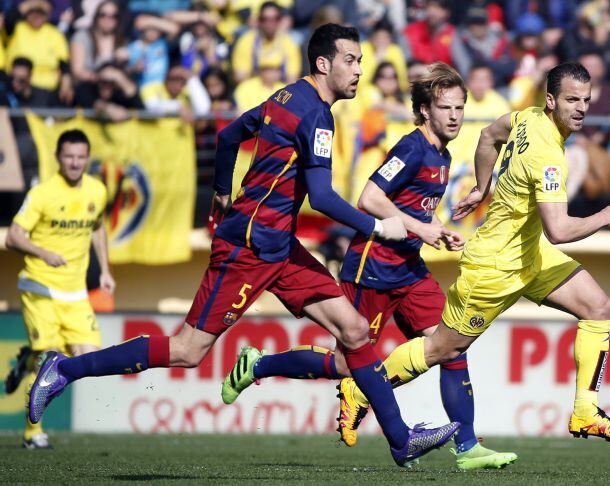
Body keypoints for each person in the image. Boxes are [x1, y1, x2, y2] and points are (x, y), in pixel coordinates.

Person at [27, 24, 458, 467]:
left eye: (361, 61)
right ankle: (63, 370)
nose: (359, 71)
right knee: (187, 351)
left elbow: (229, 135)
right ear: (323, 64)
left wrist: (220, 192)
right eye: (351, 60)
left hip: (279, 246)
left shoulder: (285, 98)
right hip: (248, 249)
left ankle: (401, 439)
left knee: (352, 330)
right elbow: (322, 197)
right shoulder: (316, 116)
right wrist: (377, 226)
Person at [222, 62, 518, 471]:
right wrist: (420, 227)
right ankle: (257, 365)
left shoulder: (443, 155)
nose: (454, 116)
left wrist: (440, 230)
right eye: (446, 107)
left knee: (453, 345)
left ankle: (467, 446)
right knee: (347, 364)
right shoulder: (412, 148)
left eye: (460, 108)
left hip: (409, 269)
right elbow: (370, 197)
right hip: (372, 269)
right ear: (425, 111)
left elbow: (413, 209)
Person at [343, 62, 610, 443]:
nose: (580, 108)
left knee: (598, 307)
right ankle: (360, 390)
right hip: (496, 266)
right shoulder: (548, 155)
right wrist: (602, 217)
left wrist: (483, 188)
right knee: (442, 349)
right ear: (550, 100)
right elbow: (560, 230)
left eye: (585, 100)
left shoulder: (527, 118)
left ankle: (584, 412)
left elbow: (487, 135)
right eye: (571, 100)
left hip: (529, 254)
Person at [4, 130, 113, 449]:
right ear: (57, 158)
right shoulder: (42, 193)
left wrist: (106, 270)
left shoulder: (97, 189)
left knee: (88, 359)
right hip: (40, 286)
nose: (75, 162)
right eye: (69, 156)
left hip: (75, 292)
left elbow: (98, 228)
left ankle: (26, 360)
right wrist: (44, 253)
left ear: (88, 158)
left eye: (81, 157)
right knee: (49, 360)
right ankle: (32, 433)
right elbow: (13, 236)